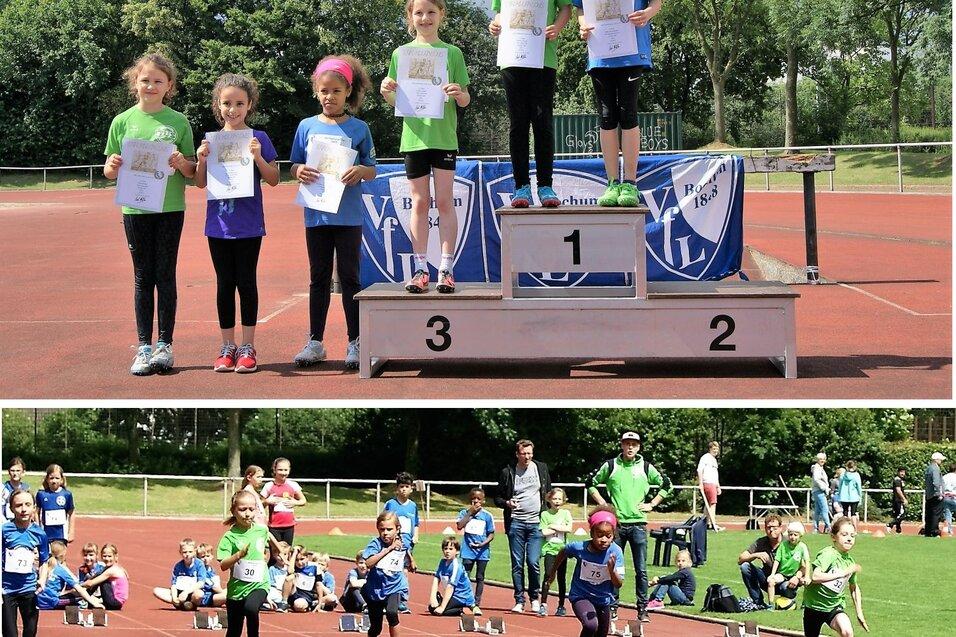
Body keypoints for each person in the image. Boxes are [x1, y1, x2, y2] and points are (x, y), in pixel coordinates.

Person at [103, 52, 196, 375]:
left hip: (170, 208)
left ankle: (165, 346)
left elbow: (191, 170)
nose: (151, 85)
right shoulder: (123, 121)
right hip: (135, 208)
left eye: (158, 80)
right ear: (135, 83)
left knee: (165, 274)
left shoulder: (178, 122)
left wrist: (182, 163)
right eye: (145, 80)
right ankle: (143, 347)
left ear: (169, 85)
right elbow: (110, 169)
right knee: (143, 276)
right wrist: (111, 166)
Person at [290, 55, 377, 370]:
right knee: (318, 278)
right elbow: (295, 164)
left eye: (336, 91)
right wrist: (299, 171)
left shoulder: (359, 128)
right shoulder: (306, 126)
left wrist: (359, 171)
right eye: (324, 91)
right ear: (316, 90)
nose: (330, 97)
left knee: (351, 278)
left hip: (348, 215)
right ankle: (315, 342)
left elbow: (372, 169)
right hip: (317, 215)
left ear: (347, 91)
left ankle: (355, 341)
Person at [380, 0, 471, 294]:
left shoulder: (453, 53)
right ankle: (420, 270)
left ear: (441, 15)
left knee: (444, 202)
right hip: (414, 140)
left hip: (444, 139)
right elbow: (399, 103)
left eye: (431, 12)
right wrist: (386, 94)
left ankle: (445, 269)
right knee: (419, 203)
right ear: (410, 17)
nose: (425, 17)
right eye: (418, 12)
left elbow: (466, 99)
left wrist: (458, 94)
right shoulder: (400, 54)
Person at [194, 73, 279, 373]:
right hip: (218, 226)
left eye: (239, 103)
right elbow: (199, 183)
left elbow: (274, 179)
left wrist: (257, 157)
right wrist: (201, 159)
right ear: (218, 105)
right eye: (227, 103)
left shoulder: (259, 139)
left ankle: (248, 346)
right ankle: (226, 346)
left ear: (249, 104)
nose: (233, 109)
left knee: (247, 282)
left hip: (248, 224)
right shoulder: (210, 141)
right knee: (224, 284)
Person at [572, 0, 661, 207]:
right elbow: (581, 8)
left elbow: (657, 3)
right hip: (600, 53)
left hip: (632, 52)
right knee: (606, 115)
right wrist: (583, 25)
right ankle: (612, 183)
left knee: (628, 113)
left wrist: (647, 14)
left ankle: (630, 182)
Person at [488, 0, 571, 208]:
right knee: (518, 123)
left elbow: (566, 8)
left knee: (542, 122)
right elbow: (499, 13)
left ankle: (545, 185)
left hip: (543, 58)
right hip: (512, 57)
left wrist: (557, 28)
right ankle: (521, 186)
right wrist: (495, 24)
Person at [586, 431, 671, 623]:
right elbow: (590, 483)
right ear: (622, 445)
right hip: (616, 526)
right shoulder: (611, 465)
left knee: (641, 570)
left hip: (639, 525)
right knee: (612, 566)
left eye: (634, 444)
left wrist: (652, 504)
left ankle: (642, 609)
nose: (630, 447)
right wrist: (605, 506)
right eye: (627, 443)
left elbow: (667, 485)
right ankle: (612, 606)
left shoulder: (646, 467)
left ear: (639, 447)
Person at [544, 507, 625, 637]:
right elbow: (563, 551)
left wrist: (612, 570)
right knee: (591, 625)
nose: (604, 540)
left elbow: (618, 584)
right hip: (581, 596)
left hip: (603, 599)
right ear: (591, 533)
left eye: (608, 536)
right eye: (599, 535)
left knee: (601, 633)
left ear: (613, 535)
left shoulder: (616, 552)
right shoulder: (579, 547)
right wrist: (553, 572)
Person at [494, 439, 552, 614]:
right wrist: (507, 503)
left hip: (536, 523)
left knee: (533, 562)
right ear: (517, 454)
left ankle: (535, 597)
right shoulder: (508, 472)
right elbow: (497, 498)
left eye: (530, 453)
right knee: (517, 564)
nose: (527, 457)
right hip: (516, 523)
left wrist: (549, 514)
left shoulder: (541, 468)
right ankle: (519, 599)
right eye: (523, 453)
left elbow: (548, 492)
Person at [217, 490, 277, 637]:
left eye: (251, 509)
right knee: (233, 631)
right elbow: (223, 565)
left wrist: (279, 547)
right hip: (237, 588)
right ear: (233, 511)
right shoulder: (229, 537)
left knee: (251, 609)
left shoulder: (261, 530)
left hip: (259, 583)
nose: (248, 513)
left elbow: (267, 536)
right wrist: (238, 555)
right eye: (242, 509)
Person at [801, 518, 868, 637]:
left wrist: (859, 612)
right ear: (833, 537)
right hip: (814, 607)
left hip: (833, 607)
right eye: (844, 534)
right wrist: (843, 573)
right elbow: (816, 576)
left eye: (852, 536)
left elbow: (854, 587)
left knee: (847, 632)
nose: (849, 538)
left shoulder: (849, 562)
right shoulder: (828, 554)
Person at [2, 489, 50, 637]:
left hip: (29, 589)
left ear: (34, 507)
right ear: (11, 508)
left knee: (30, 631)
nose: (23, 509)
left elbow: (44, 561)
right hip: (6, 590)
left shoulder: (40, 534)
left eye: (27, 504)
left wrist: (42, 579)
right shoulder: (4, 530)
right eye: (18, 505)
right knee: (10, 633)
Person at [361, 511, 409, 637]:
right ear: (377, 529)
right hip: (375, 589)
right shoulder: (375, 544)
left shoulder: (403, 542)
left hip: (395, 587)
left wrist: (411, 561)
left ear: (397, 529)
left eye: (389, 529)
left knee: (392, 613)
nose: (385, 533)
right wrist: (388, 549)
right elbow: (368, 563)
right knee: (376, 628)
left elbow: (406, 551)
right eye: (382, 529)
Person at [382, 472, 420, 613]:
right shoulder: (391, 504)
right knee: (390, 570)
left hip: (407, 544)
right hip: (392, 544)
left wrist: (416, 536)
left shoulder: (413, 506)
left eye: (407, 486)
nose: (404, 489)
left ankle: (402, 600)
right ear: (397, 489)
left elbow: (416, 523)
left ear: (411, 489)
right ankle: (388, 597)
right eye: (401, 486)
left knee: (404, 571)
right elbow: (383, 520)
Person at [456, 487, 494, 615]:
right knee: (465, 576)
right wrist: (470, 513)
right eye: (473, 499)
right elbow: (460, 526)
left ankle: (477, 603)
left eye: (479, 499)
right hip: (467, 551)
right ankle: (466, 601)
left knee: (480, 577)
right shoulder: (464, 513)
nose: (476, 502)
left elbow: (491, 534)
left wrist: (482, 544)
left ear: (483, 501)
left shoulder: (487, 516)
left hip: (482, 552)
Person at [37, 540, 105, 610]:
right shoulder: (61, 569)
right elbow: (79, 588)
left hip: (39, 601)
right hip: (52, 602)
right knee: (80, 595)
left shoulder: (43, 566)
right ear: (62, 555)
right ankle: (88, 603)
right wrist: (94, 604)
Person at [539, 487, 573, 617]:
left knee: (561, 578)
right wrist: (559, 528)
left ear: (563, 500)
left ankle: (561, 605)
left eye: (559, 499)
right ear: (549, 499)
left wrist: (552, 526)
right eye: (554, 498)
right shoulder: (545, 514)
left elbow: (569, 528)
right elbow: (543, 532)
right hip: (549, 549)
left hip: (562, 550)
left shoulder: (566, 514)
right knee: (548, 574)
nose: (557, 501)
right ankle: (543, 604)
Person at [736, 513, 783, 607]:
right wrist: (756, 554)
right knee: (745, 566)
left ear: (780, 528)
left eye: (774, 527)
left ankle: (788, 600)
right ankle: (758, 602)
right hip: (766, 579)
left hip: (784, 580)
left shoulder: (788, 542)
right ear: (765, 529)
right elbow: (741, 559)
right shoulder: (761, 542)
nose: (771, 530)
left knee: (786, 588)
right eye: (768, 527)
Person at [260, 457, 306, 545]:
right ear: (274, 470)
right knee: (275, 553)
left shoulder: (293, 485)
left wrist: (295, 502)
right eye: (280, 470)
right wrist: (267, 501)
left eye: (286, 470)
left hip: (289, 525)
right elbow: (259, 505)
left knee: (287, 551)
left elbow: (303, 501)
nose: (283, 473)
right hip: (274, 526)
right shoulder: (268, 486)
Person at [153, 537, 206, 609]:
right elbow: (174, 584)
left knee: (199, 594)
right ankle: (181, 604)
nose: (187, 554)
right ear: (180, 552)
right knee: (156, 591)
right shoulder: (178, 566)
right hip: (179, 592)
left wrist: (186, 592)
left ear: (194, 552)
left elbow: (201, 583)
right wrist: (174, 597)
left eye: (190, 552)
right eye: (185, 552)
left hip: (191, 592)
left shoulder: (199, 564)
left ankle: (191, 604)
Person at [427, 537, 476, 616]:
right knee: (432, 607)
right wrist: (432, 598)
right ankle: (448, 605)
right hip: (452, 595)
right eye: (445, 549)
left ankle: (462, 609)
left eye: (450, 549)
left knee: (438, 611)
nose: (447, 551)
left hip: (461, 597)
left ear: (457, 551)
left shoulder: (457, 566)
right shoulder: (442, 562)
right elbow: (436, 579)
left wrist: (442, 607)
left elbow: (450, 587)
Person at [766, 521, 809, 608]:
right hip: (782, 574)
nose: (792, 537)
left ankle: (805, 604)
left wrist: (807, 576)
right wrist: (772, 574)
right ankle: (770, 605)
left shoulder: (802, 547)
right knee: (771, 582)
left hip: (795, 575)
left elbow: (807, 562)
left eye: (795, 535)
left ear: (800, 535)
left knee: (807, 583)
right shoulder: (783, 545)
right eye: (791, 534)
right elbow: (777, 560)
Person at [79, 543, 130, 610]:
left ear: (116, 556)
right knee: (99, 576)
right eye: (104, 556)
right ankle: (86, 599)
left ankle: (84, 599)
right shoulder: (113, 568)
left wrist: (78, 586)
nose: (107, 559)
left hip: (115, 602)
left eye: (109, 556)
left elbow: (91, 583)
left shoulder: (112, 570)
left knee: (102, 580)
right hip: (115, 601)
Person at [35, 463, 74, 543]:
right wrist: (38, 529)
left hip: (61, 535)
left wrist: (71, 532)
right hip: (45, 533)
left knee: (59, 554)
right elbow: (36, 512)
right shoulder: (41, 494)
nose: (54, 481)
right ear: (47, 479)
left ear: (62, 479)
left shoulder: (67, 494)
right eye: (51, 478)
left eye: (57, 478)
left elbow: (71, 513)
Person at [697, 441, 723, 532]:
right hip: (707, 483)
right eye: (714, 449)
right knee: (713, 504)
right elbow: (700, 470)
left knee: (708, 504)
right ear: (710, 449)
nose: (716, 451)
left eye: (717, 449)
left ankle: (705, 523)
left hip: (713, 484)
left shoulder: (714, 460)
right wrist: (700, 483)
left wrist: (718, 486)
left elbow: (715, 474)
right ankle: (713, 524)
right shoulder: (705, 458)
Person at [287, 545, 320, 612]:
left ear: (307, 557)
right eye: (296, 560)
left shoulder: (314, 567)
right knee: (290, 577)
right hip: (294, 594)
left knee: (332, 599)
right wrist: (295, 553)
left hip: (307, 595)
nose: (299, 563)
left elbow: (319, 585)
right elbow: (290, 571)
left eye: (302, 559)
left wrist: (320, 602)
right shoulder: (292, 566)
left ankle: (313, 604)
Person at [264, 542, 292, 612]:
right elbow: (271, 585)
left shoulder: (289, 568)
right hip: (277, 592)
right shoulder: (272, 569)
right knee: (268, 593)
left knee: (290, 578)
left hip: (288, 594)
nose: (282, 558)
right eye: (279, 555)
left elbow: (292, 572)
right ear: (274, 555)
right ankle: (271, 605)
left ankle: (281, 604)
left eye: (285, 554)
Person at [923, 451, 945, 537]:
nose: (941, 461)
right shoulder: (935, 468)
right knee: (936, 513)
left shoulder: (929, 468)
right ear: (936, 459)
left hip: (929, 495)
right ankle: (934, 531)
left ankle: (928, 531)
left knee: (929, 513)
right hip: (935, 495)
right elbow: (936, 482)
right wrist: (939, 493)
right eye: (940, 459)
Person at [1, 457, 29, 521]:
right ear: (8, 472)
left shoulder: (26, 488)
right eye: (12, 470)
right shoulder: (3, 488)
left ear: (23, 472)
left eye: (18, 471)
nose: (15, 473)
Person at [836, 461, 862, 527]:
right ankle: (855, 529)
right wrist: (860, 496)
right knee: (853, 514)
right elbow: (859, 487)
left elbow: (840, 486)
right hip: (854, 497)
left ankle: (844, 527)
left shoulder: (843, 475)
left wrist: (839, 494)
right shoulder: (856, 475)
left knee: (845, 513)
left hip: (844, 497)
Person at [810, 453, 831, 534]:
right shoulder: (817, 468)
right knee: (825, 509)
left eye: (823, 459)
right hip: (819, 491)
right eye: (820, 459)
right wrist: (825, 488)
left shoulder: (820, 468)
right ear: (817, 460)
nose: (822, 460)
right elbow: (816, 479)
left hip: (817, 491)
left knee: (818, 510)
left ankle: (815, 528)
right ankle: (828, 527)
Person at [885, 467, 907, 535]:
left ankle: (898, 530)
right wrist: (904, 499)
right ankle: (890, 524)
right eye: (901, 472)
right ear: (898, 472)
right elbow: (898, 490)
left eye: (903, 472)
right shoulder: (897, 480)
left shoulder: (901, 480)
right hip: (898, 500)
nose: (903, 473)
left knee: (897, 515)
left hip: (897, 500)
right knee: (902, 514)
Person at [942, 463, 956, 536]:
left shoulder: (944, 477)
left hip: (946, 497)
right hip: (954, 496)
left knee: (948, 514)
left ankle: (949, 531)